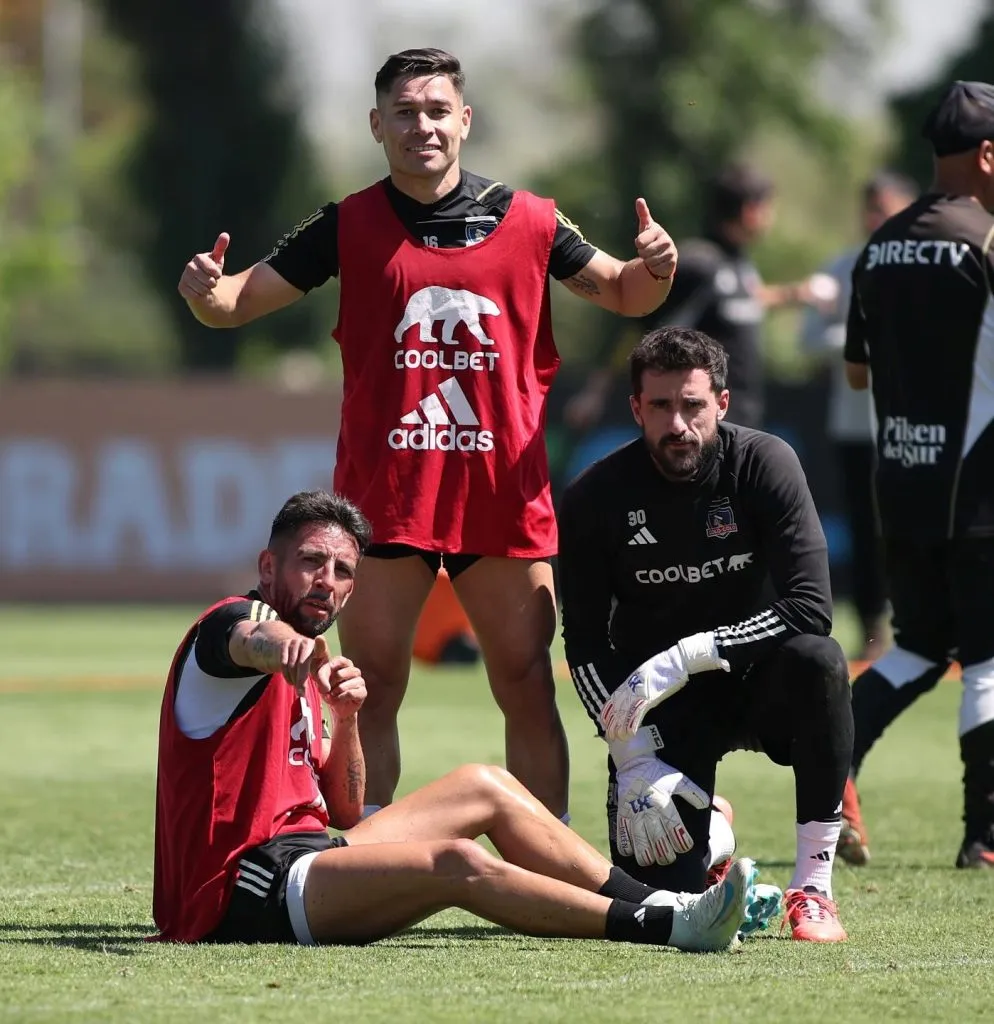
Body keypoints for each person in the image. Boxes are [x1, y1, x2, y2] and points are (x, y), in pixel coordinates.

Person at [176, 48, 680, 822]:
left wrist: (659, 266)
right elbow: (235, 304)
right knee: (369, 685)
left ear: (465, 121)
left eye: (438, 111)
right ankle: (369, 862)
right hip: (385, 503)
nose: (423, 127)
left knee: (524, 683)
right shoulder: (346, 224)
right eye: (405, 113)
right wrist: (207, 293)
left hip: (502, 498)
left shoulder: (533, 220)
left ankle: (546, 863)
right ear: (378, 124)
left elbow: (623, 291)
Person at [152, 488, 780, 950]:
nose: (327, 581)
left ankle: (668, 899)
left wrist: (345, 722)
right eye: (311, 562)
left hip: (311, 853)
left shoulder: (321, 673)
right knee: (455, 863)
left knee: (486, 784)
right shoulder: (234, 628)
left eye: (343, 571)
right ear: (268, 567)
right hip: (240, 892)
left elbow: (344, 813)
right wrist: (282, 645)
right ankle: (665, 927)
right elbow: (247, 637)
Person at [558, 327, 854, 942]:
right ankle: (713, 831)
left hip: (755, 681)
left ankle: (813, 886)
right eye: (661, 406)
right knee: (669, 903)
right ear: (636, 408)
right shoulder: (595, 496)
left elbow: (810, 606)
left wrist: (691, 655)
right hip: (659, 710)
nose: (678, 425)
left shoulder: (764, 462)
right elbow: (583, 645)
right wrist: (631, 755)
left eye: (692, 405)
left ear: (721, 402)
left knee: (821, 661)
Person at [843, 80, 994, 870]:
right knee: (991, 658)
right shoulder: (988, 241)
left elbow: (857, 376)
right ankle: (985, 836)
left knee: (920, 646)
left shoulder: (879, 246)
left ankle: (831, 758)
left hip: (901, 483)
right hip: (979, 490)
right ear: (988, 154)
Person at [564, 162, 819, 437]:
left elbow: (749, 299)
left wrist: (797, 294)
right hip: (699, 427)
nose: (772, 216)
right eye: (768, 207)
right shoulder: (698, 265)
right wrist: (595, 392)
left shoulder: (739, 264)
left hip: (744, 420)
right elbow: (638, 324)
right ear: (749, 211)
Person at [800, 172, 919, 663]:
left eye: (886, 208)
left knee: (918, 525)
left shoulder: (926, 267)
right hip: (854, 424)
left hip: (916, 424)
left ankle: (930, 628)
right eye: (871, 208)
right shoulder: (842, 267)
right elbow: (808, 339)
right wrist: (860, 342)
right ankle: (874, 631)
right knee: (867, 529)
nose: (877, 217)